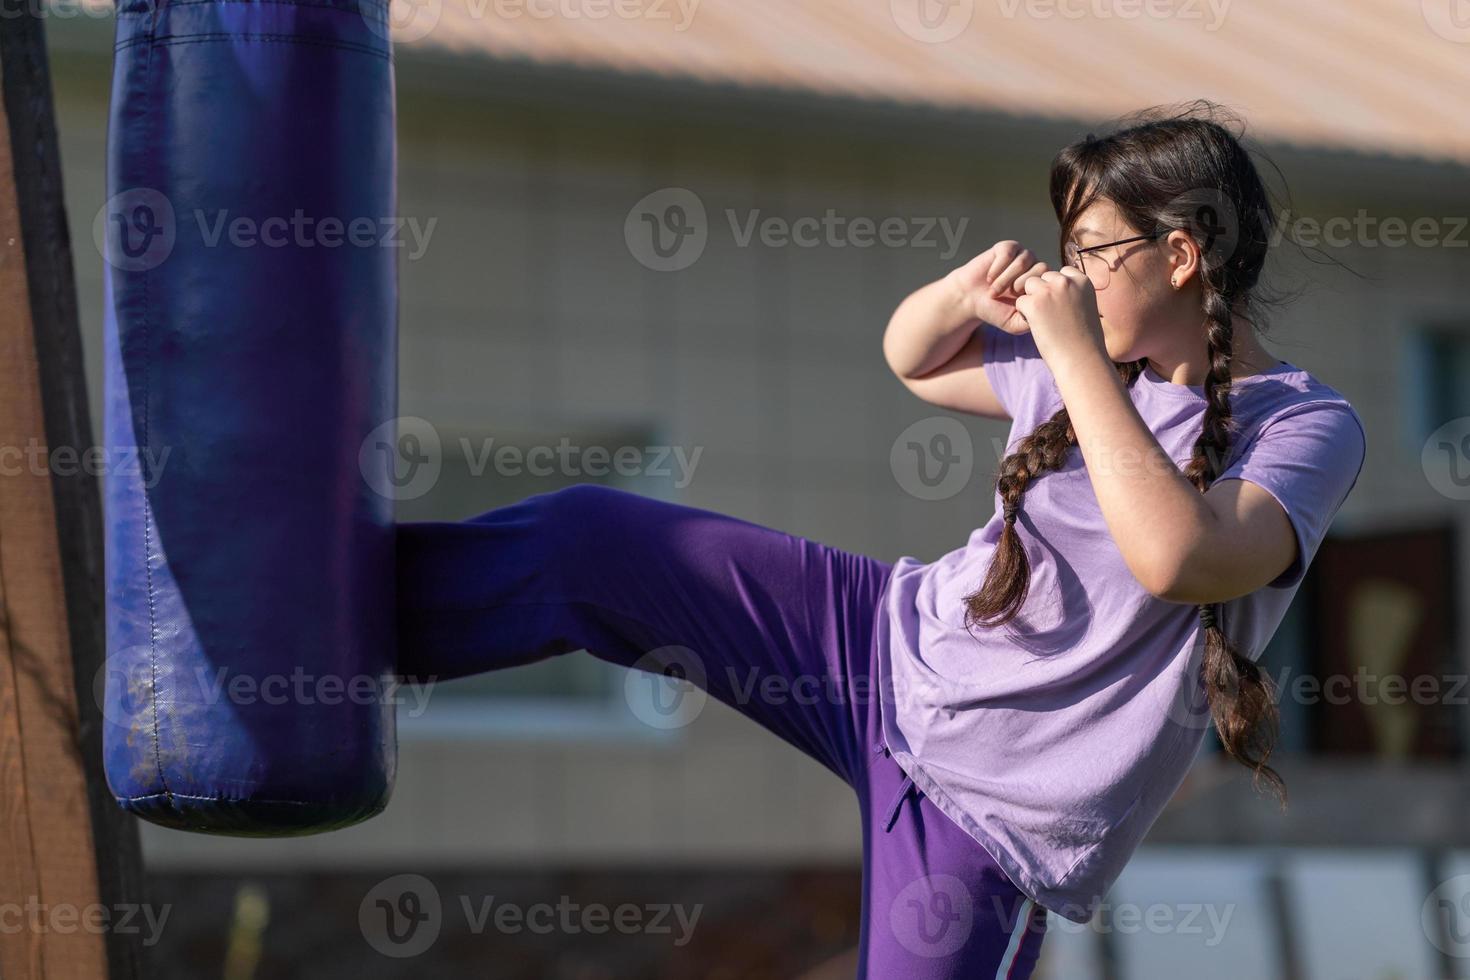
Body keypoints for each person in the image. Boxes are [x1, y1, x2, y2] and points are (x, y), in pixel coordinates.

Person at [394, 101, 1367, 978]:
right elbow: (918, 357)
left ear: (1182, 257)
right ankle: (326, 623)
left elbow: (1179, 556)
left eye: (1092, 252)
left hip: (996, 815)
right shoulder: (1092, 369)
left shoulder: (1306, 427)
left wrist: (1073, 355)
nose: (1069, 277)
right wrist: (959, 295)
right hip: (878, 641)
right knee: (588, 536)